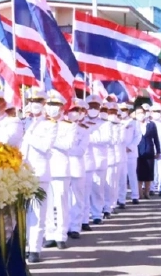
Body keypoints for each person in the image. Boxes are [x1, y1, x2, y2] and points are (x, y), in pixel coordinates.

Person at [21, 87, 58, 263]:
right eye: (31, 101)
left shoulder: (50, 124)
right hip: (22, 173)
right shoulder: (23, 122)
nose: (34, 105)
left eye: (38, 102)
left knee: (37, 212)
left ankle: (35, 248)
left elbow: (45, 147)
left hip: (39, 173)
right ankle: (25, 245)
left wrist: (28, 135)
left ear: (44, 104)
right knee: (23, 212)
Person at [43, 90, 74, 250]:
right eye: (49, 104)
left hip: (61, 169)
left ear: (62, 108)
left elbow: (68, 145)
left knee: (61, 203)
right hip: (44, 169)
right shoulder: (41, 124)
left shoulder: (69, 125)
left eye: (55, 104)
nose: (51, 108)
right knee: (46, 204)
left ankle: (61, 235)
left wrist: (49, 141)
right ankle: (49, 234)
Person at [66, 99, 92, 238]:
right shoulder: (61, 127)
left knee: (77, 198)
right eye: (73, 110)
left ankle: (75, 227)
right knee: (63, 199)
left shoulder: (84, 130)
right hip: (62, 166)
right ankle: (64, 226)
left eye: (78, 111)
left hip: (76, 166)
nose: (75, 113)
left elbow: (80, 150)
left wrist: (65, 149)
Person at [86, 96, 112, 224]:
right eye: (90, 106)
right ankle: (84, 216)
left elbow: (106, 139)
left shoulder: (105, 123)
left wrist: (88, 139)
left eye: (96, 106)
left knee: (97, 190)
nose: (93, 109)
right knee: (85, 191)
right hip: (85, 161)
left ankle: (97, 214)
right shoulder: (82, 121)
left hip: (99, 161)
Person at [136, 106, 161, 200]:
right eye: (138, 113)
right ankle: (139, 193)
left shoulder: (151, 124)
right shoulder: (134, 124)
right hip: (137, 152)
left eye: (141, 113)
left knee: (148, 173)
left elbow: (156, 138)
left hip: (149, 151)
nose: (140, 115)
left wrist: (158, 150)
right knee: (139, 173)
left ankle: (147, 192)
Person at [121, 103, 142, 203]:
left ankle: (135, 196)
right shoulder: (116, 122)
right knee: (121, 176)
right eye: (121, 109)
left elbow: (138, 136)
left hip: (131, 152)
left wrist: (131, 147)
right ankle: (121, 198)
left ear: (128, 111)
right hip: (120, 152)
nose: (122, 111)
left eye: (124, 109)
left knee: (132, 174)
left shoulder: (134, 122)